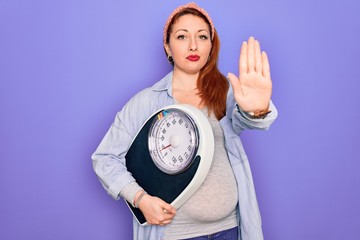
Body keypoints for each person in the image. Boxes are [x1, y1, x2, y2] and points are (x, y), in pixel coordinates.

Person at [92, 2, 277, 240]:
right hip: (174, 234)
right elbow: (104, 158)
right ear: (167, 47)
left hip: (230, 230)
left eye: (202, 36)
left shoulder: (228, 92)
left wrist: (258, 109)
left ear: (211, 46)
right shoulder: (146, 102)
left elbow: (252, 121)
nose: (193, 45)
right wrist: (140, 199)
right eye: (182, 36)